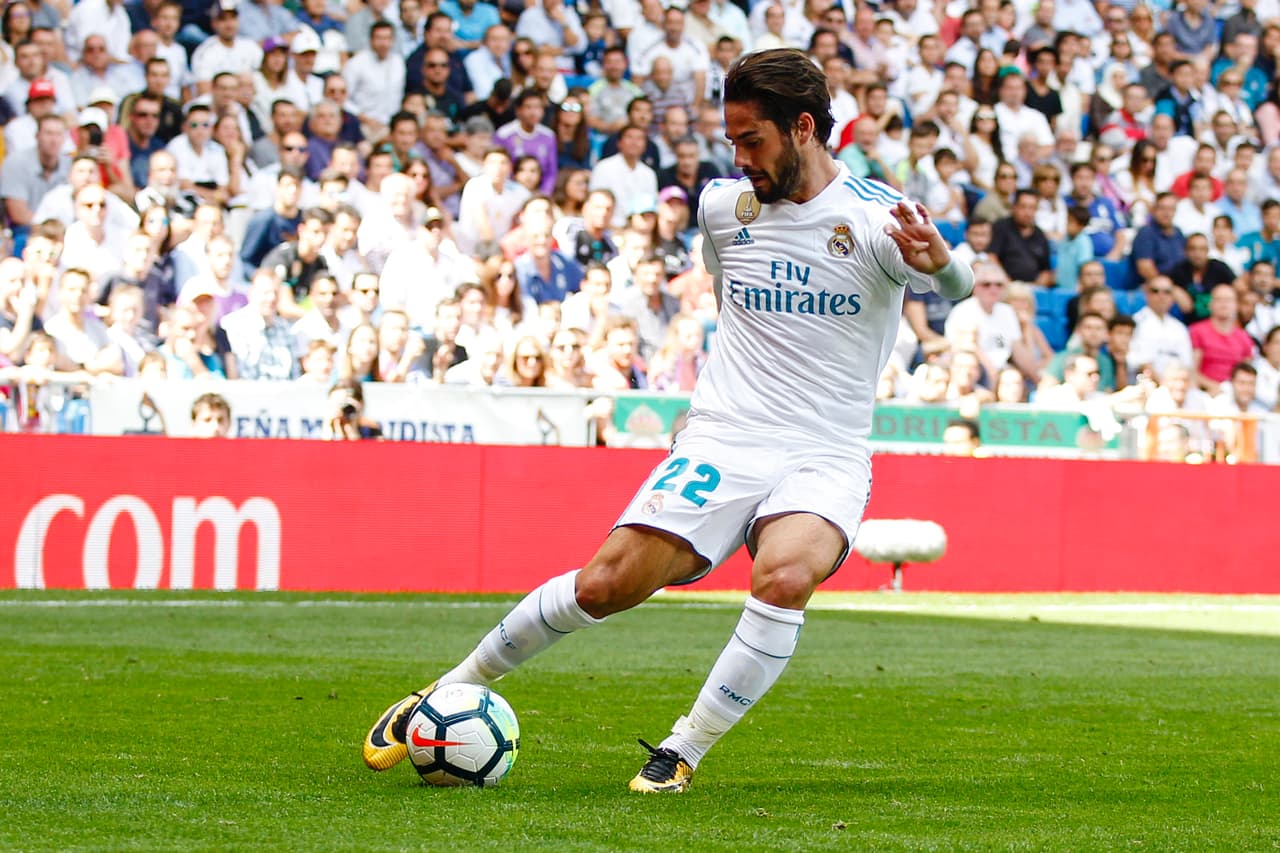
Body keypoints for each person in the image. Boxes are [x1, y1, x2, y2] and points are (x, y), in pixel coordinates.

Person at [360, 48, 974, 792]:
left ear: (803, 127)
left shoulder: (876, 216)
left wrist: (940, 262)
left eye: (753, 140)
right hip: (726, 434)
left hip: (826, 449)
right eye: (732, 140)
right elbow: (730, 297)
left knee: (782, 577)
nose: (740, 156)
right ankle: (443, 688)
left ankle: (683, 748)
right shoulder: (723, 208)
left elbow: (956, 281)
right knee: (602, 584)